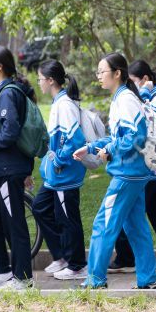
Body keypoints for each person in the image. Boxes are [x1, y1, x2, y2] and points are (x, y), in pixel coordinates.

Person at [72, 53, 156, 289]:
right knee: (136, 227)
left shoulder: (126, 100)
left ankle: (95, 280)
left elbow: (135, 136)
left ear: (117, 73)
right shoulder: (123, 98)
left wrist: (109, 150)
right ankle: (149, 279)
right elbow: (119, 136)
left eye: (102, 71)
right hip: (133, 172)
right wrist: (91, 147)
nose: (98, 76)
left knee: (103, 224)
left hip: (126, 174)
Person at [108, 59, 156, 273]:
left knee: (130, 210)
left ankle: (126, 256)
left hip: (153, 165)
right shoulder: (146, 97)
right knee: (155, 210)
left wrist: (145, 97)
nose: (130, 86)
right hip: (150, 166)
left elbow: (152, 126)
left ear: (145, 79)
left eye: (133, 81)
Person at [0, 46, 37, 290]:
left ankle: (23, 278)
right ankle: (3, 272)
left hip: (8, 170)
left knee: (15, 224)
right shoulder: (3, 92)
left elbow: (10, 131)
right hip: (0, 170)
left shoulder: (7, 94)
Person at [33, 60, 88, 280]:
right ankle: (62, 256)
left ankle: (77, 265)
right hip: (57, 177)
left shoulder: (64, 105)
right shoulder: (59, 102)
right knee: (40, 206)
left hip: (65, 175)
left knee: (68, 219)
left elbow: (75, 140)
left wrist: (58, 161)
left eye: (40, 79)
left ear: (50, 80)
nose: (39, 83)